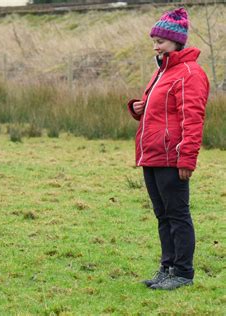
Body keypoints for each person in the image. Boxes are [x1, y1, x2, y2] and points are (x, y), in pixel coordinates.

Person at [127, 7, 209, 290]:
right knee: (162, 215)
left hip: (172, 158)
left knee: (177, 215)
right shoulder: (161, 71)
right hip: (152, 155)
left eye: (160, 41)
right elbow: (162, 113)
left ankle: (183, 272)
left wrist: (187, 158)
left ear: (176, 41)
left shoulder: (190, 73)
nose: (156, 46)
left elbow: (192, 118)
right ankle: (167, 267)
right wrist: (140, 108)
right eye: (154, 41)